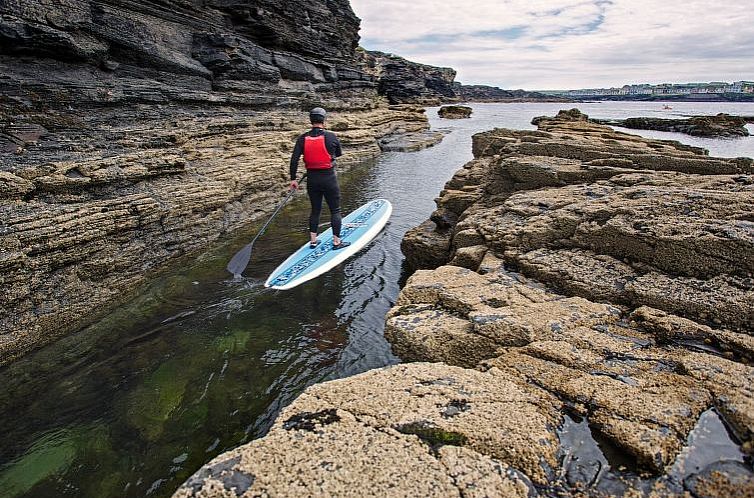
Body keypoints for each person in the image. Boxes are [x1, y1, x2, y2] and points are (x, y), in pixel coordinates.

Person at [289, 107, 351, 250]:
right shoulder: (331, 136)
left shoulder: (302, 138)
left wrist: (293, 179)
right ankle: (336, 242)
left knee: (315, 210)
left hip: (312, 180)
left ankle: (313, 241)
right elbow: (338, 154)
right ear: (324, 120)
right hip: (329, 179)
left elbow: (294, 160)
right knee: (335, 210)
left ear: (311, 120)